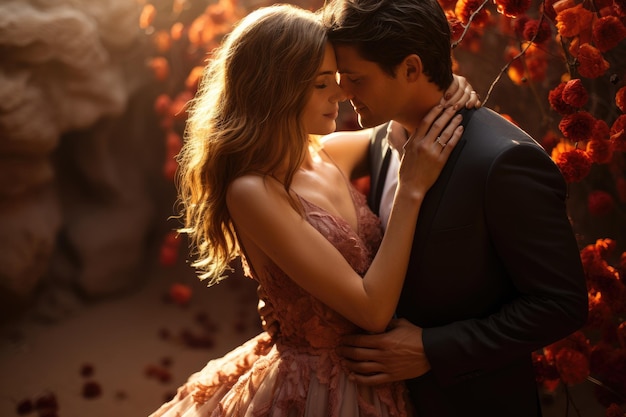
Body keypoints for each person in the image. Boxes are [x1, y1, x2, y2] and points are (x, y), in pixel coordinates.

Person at [148, 4, 479, 416]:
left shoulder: (327, 154)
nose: (340, 94)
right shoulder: (252, 191)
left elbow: (402, 115)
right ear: (277, 89)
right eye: (322, 84)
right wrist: (411, 190)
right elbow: (372, 311)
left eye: (337, 79)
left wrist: (446, 89)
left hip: (381, 380)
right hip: (315, 392)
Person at [312, 0, 589, 416]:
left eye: (354, 78)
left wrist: (431, 348)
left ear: (410, 68)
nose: (343, 92)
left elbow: (561, 304)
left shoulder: (504, 162)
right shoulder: (382, 137)